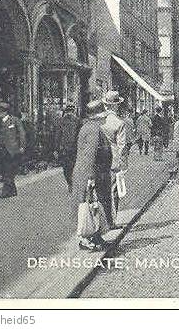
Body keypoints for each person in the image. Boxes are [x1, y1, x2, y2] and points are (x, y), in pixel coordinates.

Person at [72, 99, 112, 251]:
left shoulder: (89, 127)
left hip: (89, 172)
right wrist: (90, 177)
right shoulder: (94, 129)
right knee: (89, 207)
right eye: (103, 115)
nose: (105, 118)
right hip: (90, 173)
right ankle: (86, 239)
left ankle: (96, 237)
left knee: (93, 207)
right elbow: (89, 155)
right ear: (98, 116)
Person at [100, 91, 128, 228]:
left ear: (106, 105)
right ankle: (112, 221)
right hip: (114, 161)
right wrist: (123, 164)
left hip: (100, 160)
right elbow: (122, 146)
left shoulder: (100, 121)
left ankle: (102, 221)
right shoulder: (119, 123)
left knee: (101, 190)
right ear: (116, 106)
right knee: (114, 191)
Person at [0, 101, 26, 198]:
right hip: (1, 150)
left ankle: (5, 192)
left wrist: (22, 146)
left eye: (0, 112)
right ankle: (13, 191)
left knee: (8, 170)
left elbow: (22, 134)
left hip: (12, 150)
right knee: (4, 170)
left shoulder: (15, 120)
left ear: (5, 112)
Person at [54, 104, 81, 191]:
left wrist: (56, 149)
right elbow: (79, 136)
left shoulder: (61, 121)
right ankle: (72, 182)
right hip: (74, 148)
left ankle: (70, 182)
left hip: (64, 148)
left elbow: (57, 136)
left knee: (66, 167)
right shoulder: (78, 121)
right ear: (73, 111)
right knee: (73, 166)